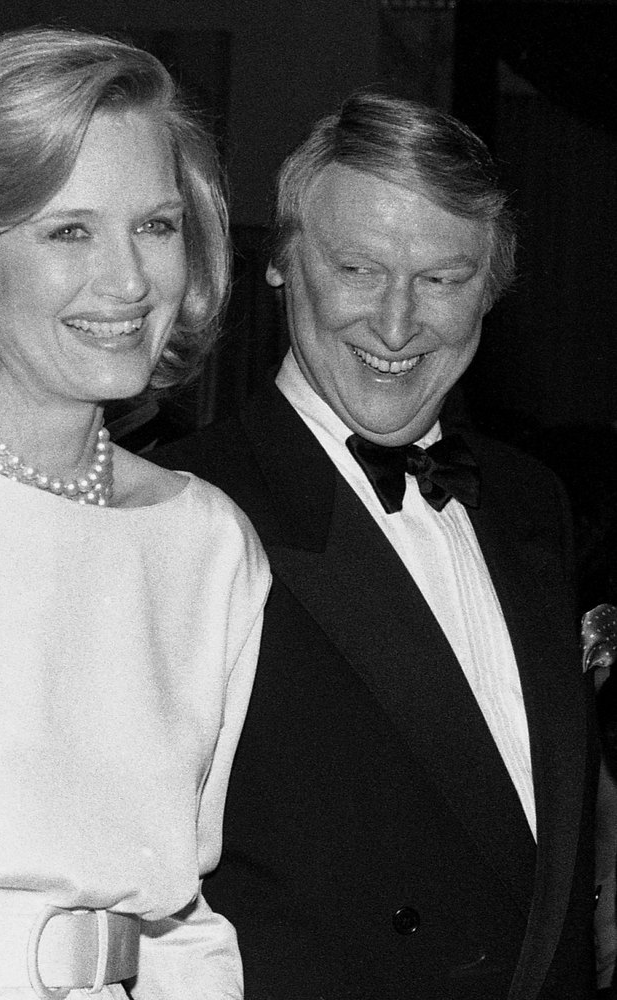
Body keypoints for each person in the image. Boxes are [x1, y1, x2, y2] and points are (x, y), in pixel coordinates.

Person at [0, 26, 270, 1000]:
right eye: (70, 231)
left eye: (156, 225)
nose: (130, 281)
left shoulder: (209, 544)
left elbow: (180, 918)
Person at [152, 91, 597, 998]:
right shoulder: (180, 511)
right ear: (283, 263)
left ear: (493, 288)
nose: (397, 326)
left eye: (443, 279)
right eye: (358, 269)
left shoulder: (532, 501)